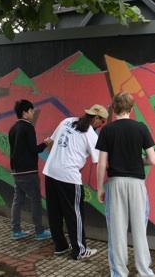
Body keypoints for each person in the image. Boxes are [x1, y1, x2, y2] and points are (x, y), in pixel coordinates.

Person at [96, 92, 155, 277]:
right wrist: (139, 161)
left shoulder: (107, 130)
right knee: (139, 230)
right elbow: (153, 160)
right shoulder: (141, 128)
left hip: (115, 184)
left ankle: (119, 273)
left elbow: (102, 163)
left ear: (114, 109)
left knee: (116, 231)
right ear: (131, 108)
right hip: (137, 184)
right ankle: (144, 272)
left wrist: (100, 188)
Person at [43, 104, 108, 260]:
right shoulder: (90, 134)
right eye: (103, 122)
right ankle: (79, 250)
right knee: (75, 214)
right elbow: (99, 161)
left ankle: (60, 246)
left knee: (54, 212)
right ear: (97, 118)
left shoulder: (67, 121)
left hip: (51, 171)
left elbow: (50, 143)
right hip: (69, 177)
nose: (101, 125)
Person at [8, 99, 52, 240]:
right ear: (25, 112)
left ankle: (16, 230)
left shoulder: (13, 128)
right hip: (29, 172)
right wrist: (45, 144)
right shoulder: (28, 127)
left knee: (17, 200)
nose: (33, 112)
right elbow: (33, 150)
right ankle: (39, 232)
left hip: (16, 171)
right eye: (31, 110)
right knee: (35, 201)